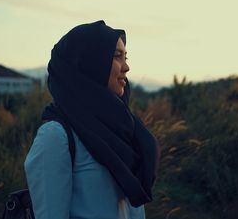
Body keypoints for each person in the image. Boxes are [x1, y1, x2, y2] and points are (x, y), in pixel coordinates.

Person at [24, 20, 159, 219]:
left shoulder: (124, 128)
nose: (126, 67)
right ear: (91, 63)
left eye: (126, 57)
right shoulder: (56, 137)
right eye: (117, 57)